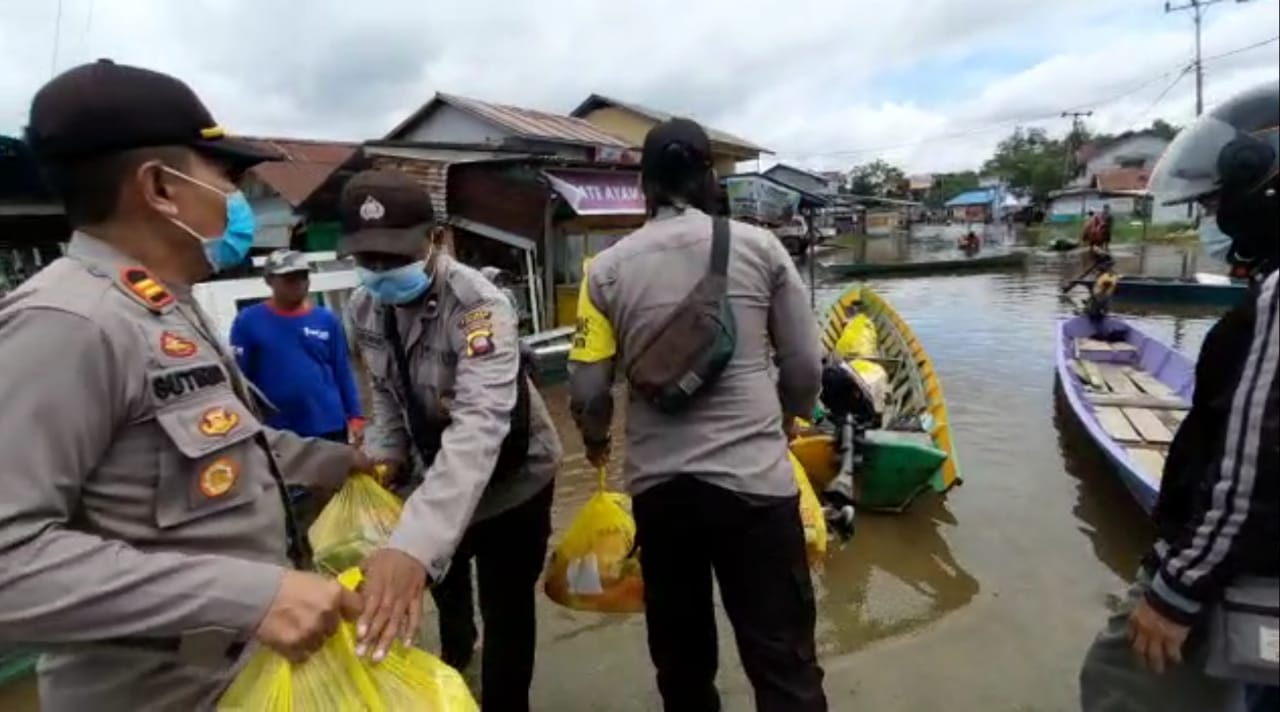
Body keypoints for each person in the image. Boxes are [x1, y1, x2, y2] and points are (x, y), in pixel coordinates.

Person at [0, 60, 369, 711]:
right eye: (227, 179)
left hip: (243, 685)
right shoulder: (67, 324)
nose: (240, 201)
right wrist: (250, 595)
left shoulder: (163, 307)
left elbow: (220, 449)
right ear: (159, 188)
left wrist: (342, 462)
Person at [568, 117, 828, 712]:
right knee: (783, 662)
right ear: (709, 176)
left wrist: (594, 441)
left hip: (662, 495)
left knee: (683, 666)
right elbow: (805, 366)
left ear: (645, 185)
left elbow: (588, 387)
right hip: (756, 488)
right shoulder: (761, 248)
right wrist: (790, 419)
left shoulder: (604, 271)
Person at [1079, 81, 1279, 712]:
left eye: (1221, 201)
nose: (1217, 217)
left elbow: (1253, 460)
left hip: (1236, 569)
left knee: (1116, 683)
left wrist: (1178, 589)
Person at [339, 169, 560, 712]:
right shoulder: (364, 309)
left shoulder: (479, 306)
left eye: (395, 255)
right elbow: (386, 395)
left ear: (434, 239)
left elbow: (482, 424)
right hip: (429, 477)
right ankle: (459, 678)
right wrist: (384, 458)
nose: (382, 271)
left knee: (507, 609)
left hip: (514, 482)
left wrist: (414, 543)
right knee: (446, 599)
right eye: (369, 259)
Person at [231, 248, 364, 445]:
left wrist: (355, 416)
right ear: (269, 280)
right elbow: (240, 378)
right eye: (289, 278)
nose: (298, 283)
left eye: (303, 276)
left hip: (328, 424)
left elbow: (342, 370)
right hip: (278, 430)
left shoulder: (327, 320)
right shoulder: (248, 321)